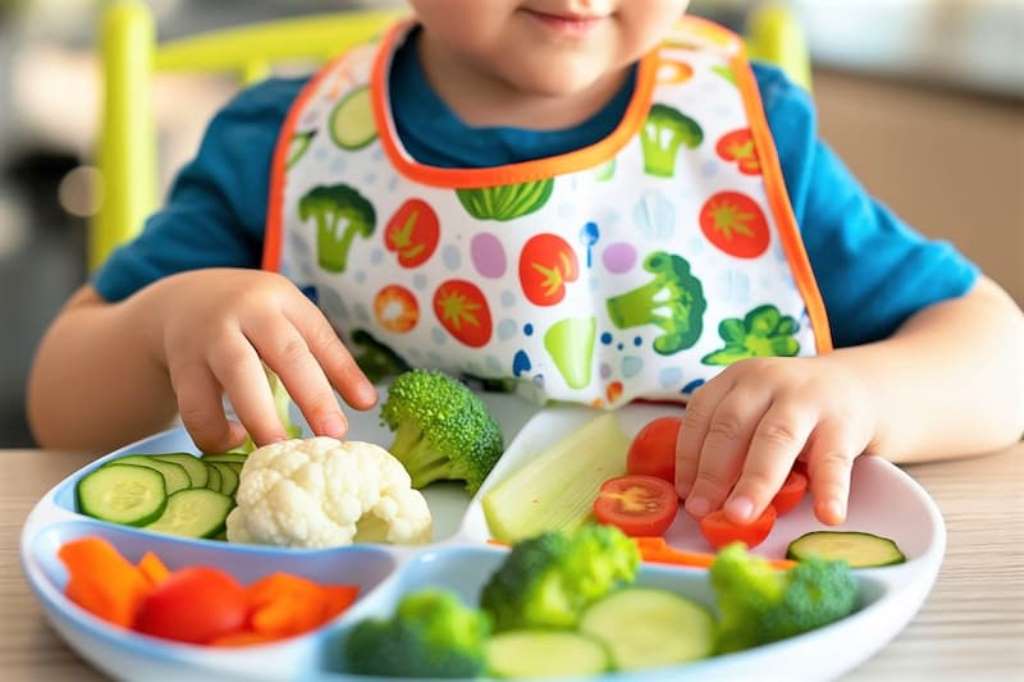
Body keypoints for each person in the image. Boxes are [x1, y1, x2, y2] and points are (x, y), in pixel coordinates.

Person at [28, 1, 1023, 529]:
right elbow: (58, 404)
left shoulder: (751, 132)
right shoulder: (276, 141)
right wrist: (167, 321)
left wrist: (863, 392)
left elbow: (996, 355)